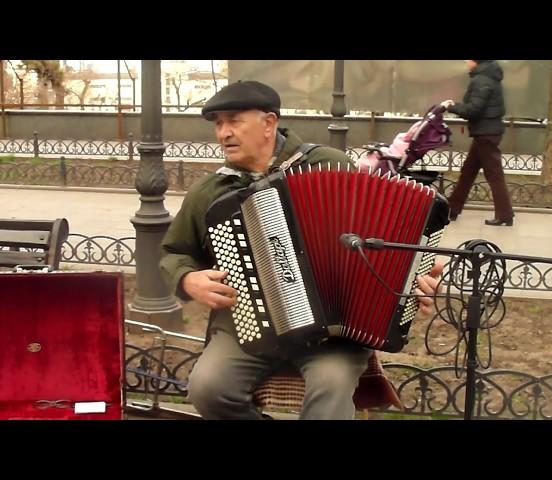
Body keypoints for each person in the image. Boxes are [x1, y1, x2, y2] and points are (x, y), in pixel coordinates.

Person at [159, 80, 442, 420]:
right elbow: (175, 252)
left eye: (234, 120)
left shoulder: (328, 164)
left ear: (269, 122)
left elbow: (378, 236)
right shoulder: (210, 191)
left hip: (334, 333)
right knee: (208, 389)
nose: (223, 133)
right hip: (247, 326)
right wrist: (188, 279)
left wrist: (415, 274)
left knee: (332, 384)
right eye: (218, 124)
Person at [440, 60, 514, 226]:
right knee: (468, 172)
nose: (466, 62)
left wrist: (452, 107)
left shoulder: (481, 80)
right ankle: (452, 209)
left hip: (485, 133)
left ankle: (504, 215)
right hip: (486, 132)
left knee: (494, 175)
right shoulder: (489, 77)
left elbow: (473, 109)